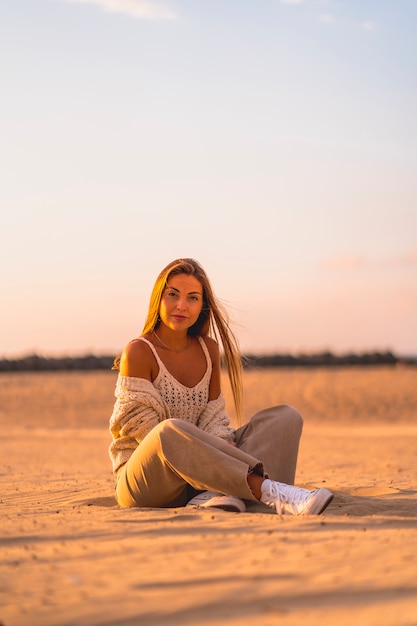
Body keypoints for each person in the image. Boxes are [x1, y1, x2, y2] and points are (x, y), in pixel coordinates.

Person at [109, 258, 333, 516]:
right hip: (146, 481)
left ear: (202, 306)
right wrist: (217, 456)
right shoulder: (138, 351)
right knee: (168, 431)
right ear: (158, 298)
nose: (181, 306)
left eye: (192, 298)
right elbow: (142, 429)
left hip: (204, 476)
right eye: (172, 295)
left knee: (285, 417)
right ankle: (270, 492)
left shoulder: (208, 349)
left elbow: (214, 417)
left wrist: (222, 448)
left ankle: (213, 494)